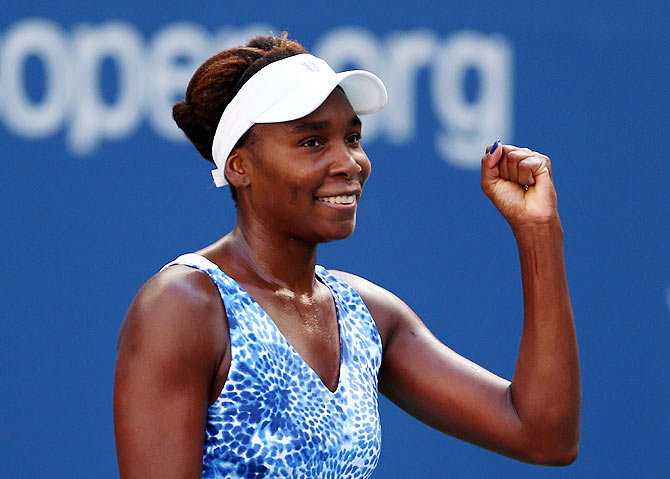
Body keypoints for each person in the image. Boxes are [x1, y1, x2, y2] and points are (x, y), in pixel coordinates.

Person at [113, 34, 580, 479]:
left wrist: (539, 233)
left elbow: (543, 436)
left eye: (352, 137)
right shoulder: (183, 306)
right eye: (312, 142)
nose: (349, 162)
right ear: (239, 166)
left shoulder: (368, 316)